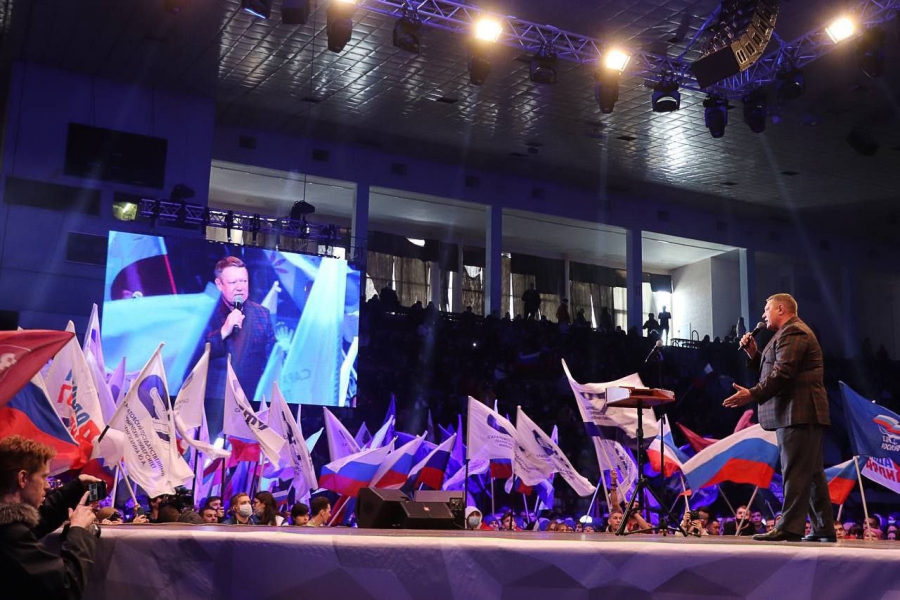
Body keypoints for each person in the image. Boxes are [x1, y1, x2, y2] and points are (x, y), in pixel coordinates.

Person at [724, 293, 835, 543]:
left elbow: (783, 373)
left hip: (799, 412)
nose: (764, 315)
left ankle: (790, 527)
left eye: (767, 309)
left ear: (781, 309)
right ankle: (823, 527)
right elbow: (775, 368)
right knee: (811, 473)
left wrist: (752, 393)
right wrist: (754, 354)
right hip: (800, 412)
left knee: (794, 470)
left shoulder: (794, 332)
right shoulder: (786, 334)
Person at [0, 435, 101, 600]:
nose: (47, 485)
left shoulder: (8, 525)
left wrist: (76, 487)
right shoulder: (10, 534)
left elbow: (39, 521)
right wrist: (79, 531)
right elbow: (67, 587)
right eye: (44, 477)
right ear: (23, 478)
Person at [203, 256, 276, 436]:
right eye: (233, 282)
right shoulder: (205, 312)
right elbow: (194, 355)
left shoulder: (262, 314)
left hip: (251, 404)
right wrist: (223, 331)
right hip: (212, 403)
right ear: (219, 284)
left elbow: (270, 358)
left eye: (243, 281)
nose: (240, 287)